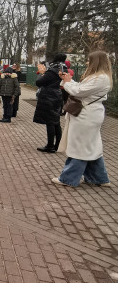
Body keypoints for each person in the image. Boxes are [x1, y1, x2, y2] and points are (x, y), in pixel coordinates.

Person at [52, 51, 113, 187]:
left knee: (79, 146)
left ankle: (68, 178)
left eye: (89, 60)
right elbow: (81, 89)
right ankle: (98, 178)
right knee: (91, 146)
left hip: (87, 115)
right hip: (89, 113)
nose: (87, 63)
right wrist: (68, 80)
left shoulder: (100, 78)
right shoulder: (99, 77)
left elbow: (78, 92)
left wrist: (67, 83)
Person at [33, 53, 66, 152]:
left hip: (49, 97)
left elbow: (39, 82)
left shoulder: (52, 71)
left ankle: (50, 145)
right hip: (58, 96)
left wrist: (41, 73)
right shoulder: (64, 69)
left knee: (50, 122)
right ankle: (57, 145)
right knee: (56, 121)